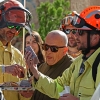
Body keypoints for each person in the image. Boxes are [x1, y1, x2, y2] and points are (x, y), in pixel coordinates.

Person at [25, 6, 100, 100]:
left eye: (80, 32)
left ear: (95, 38)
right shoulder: (78, 63)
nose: (75, 35)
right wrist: (35, 72)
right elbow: (57, 87)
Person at [24, 30, 73, 100]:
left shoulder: (72, 68)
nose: (48, 52)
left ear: (65, 50)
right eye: (46, 47)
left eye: (54, 49)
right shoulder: (42, 67)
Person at [0, 0, 32, 100]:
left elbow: (22, 92)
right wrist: (4, 69)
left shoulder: (18, 55)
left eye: (18, 27)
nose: (14, 31)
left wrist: (26, 95)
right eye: (10, 25)